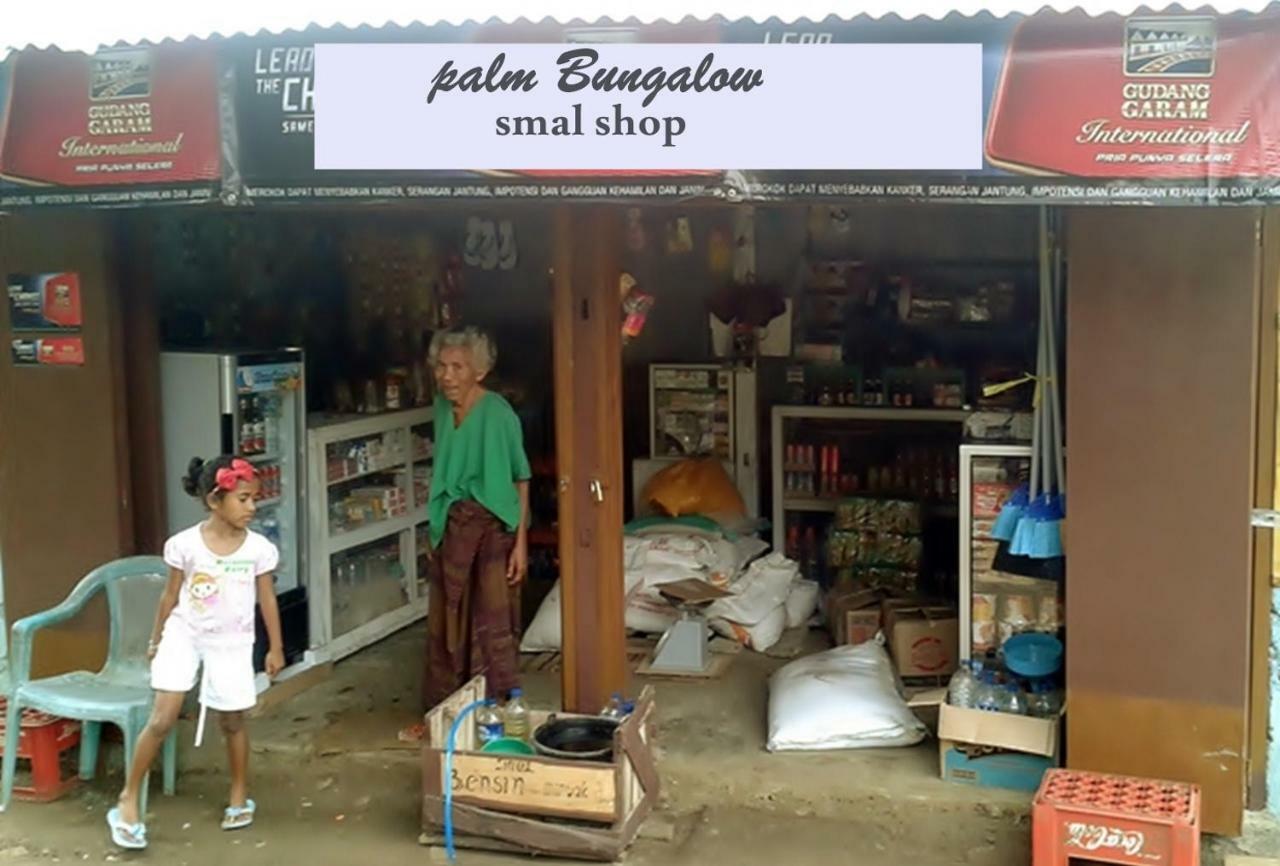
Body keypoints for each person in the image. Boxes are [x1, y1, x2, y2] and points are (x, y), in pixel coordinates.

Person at [107, 456, 284, 850]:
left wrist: (275, 647)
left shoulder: (258, 549)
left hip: (233, 641)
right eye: (243, 499)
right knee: (162, 717)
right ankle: (128, 799)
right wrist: (156, 641)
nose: (252, 507)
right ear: (214, 500)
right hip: (184, 633)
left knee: (233, 720)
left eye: (254, 498)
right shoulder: (183, 545)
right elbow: (170, 596)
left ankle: (239, 795)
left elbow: (267, 599)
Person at [400, 327, 531, 741]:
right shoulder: (442, 408)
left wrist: (521, 544)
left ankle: (493, 715)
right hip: (450, 525)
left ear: (480, 370)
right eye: (441, 366)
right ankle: (443, 716)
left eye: (457, 367)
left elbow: (521, 478)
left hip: (493, 528)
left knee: (491, 622)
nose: (447, 375)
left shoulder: (499, 413)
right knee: (445, 623)